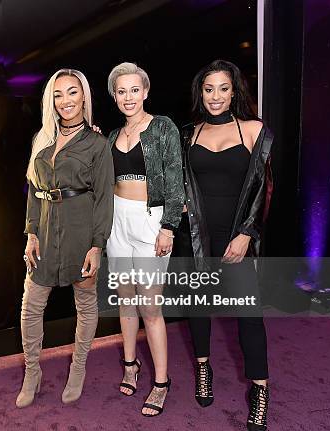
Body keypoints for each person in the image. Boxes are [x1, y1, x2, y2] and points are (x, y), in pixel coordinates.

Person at [178, 59, 273, 431]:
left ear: (235, 91)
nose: (215, 96)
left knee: (250, 316)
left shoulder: (254, 130)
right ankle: (203, 367)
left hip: (238, 236)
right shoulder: (189, 134)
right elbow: (162, 165)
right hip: (197, 236)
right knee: (198, 309)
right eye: (208, 89)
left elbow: (264, 188)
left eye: (223, 88)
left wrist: (247, 233)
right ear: (200, 93)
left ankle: (260, 388)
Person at [16, 69, 113, 408]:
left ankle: (79, 368)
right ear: (51, 100)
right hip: (43, 230)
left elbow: (104, 198)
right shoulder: (41, 139)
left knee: (85, 305)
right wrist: (30, 233)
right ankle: (32, 371)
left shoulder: (97, 143)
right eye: (58, 94)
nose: (66, 100)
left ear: (84, 97)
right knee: (31, 306)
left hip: (80, 230)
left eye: (73, 92)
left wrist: (97, 245)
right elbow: (32, 191)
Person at [105, 62, 184, 417]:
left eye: (134, 90)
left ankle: (162, 382)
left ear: (146, 92)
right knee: (125, 301)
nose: (128, 97)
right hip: (116, 221)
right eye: (121, 91)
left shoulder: (162, 127)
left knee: (150, 306)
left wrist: (168, 226)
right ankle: (130, 364)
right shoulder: (111, 135)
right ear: (115, 96)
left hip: (150, 222)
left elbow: (175, 178)